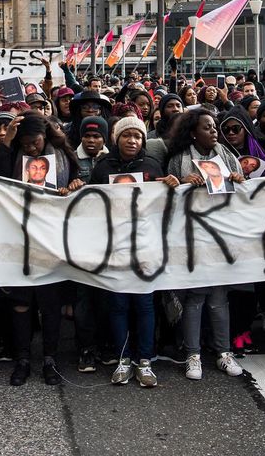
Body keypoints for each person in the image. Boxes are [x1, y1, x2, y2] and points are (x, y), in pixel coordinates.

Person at [0, 112, 83, 386]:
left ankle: (49, 359)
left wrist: (76, 185)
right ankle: (22, 359)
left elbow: (79, 183)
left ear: (46, 136)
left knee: (50, 303)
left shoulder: (63, 156)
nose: (32, 148)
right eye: (26, 144)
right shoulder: (13, 155)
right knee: (21, 302)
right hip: (20, 239)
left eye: (36, 143)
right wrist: (7, 143)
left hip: (52, 239)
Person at [92, 116, 179, 387]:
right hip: (115, 246)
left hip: (145, 246)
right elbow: (91, 205)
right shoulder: (103, 167)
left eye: (138, 136)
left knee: (144, 305)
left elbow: (166, 206)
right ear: (116, 139)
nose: (133, 140)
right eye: (127, 135)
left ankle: (145, 359)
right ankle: (123, 359)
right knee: (118, 305)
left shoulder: (153, 166)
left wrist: (172, 186)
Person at [166, 111, 245, 383]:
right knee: (196, 295)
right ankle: (193, 354)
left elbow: (243, 193)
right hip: (192, 236)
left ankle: (223, 352)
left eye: (214, 127)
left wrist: (238, 178)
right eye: (207, 128)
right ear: (192, 133)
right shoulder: (179, 160)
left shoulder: (226, 155)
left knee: (219, 297)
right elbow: (167, 196)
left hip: (221, 237)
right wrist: (181, 184)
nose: (214, 132)